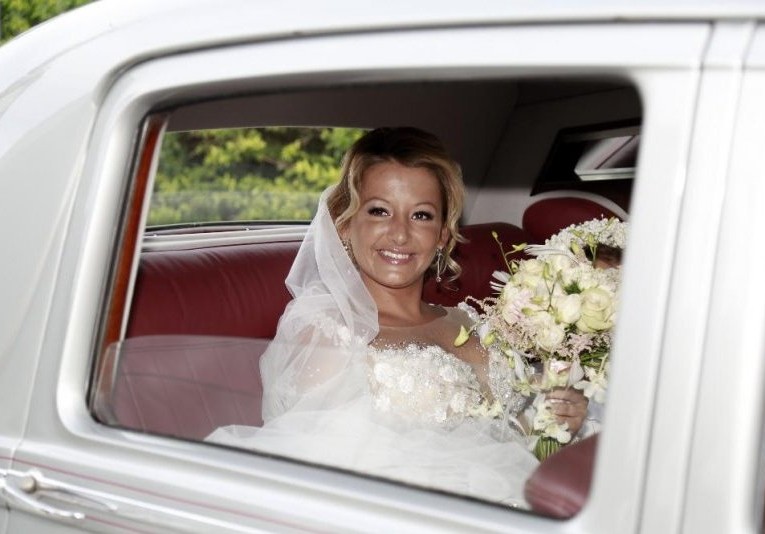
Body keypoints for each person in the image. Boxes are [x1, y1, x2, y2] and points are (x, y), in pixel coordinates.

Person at [207, 127, 589, 508]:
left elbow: (501, 438)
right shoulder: (330, 334)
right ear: (344, 225)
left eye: (421, 215)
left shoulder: (471, 319)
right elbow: (322, 481)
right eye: (379, 211)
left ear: (443, 235)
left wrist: (551, 426)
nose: (400, 234)